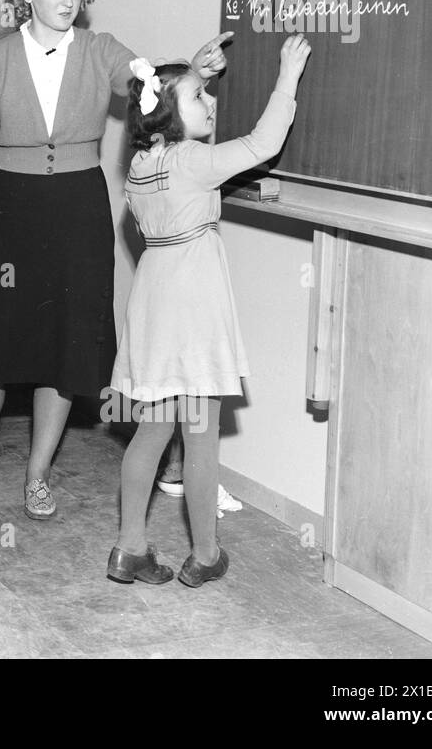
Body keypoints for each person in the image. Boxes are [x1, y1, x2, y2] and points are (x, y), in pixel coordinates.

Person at [0, 0, 231, 520]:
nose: (66, 2)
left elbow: (151, 82)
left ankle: (37, 474)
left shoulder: (99, 50)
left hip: (76, 209)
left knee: (64, 343)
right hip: (8, 209)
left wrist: (195, 72)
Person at [105, 36, 310, 586]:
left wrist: (192, 81)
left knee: (151, 432)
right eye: (200, 96)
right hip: (193, 303)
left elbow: (174, 124)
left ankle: (129, 548)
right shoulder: (193, 160)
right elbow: (263, 143)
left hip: (152, 300)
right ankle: (206, 554)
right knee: (199, 435)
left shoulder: (140, 164)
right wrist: (287, 75)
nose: (211, 102)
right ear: (172, 115)